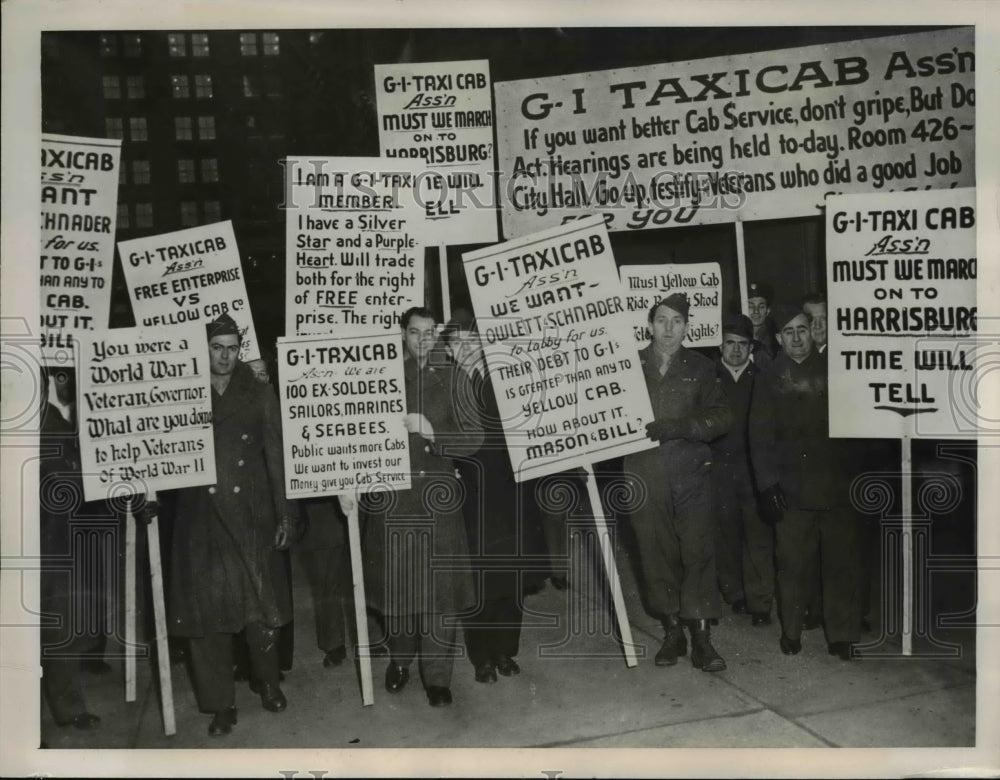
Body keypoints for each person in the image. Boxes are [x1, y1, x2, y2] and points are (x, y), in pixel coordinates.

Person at [168, 313, 299, 736]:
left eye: (231, 347)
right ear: (203, 349)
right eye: (216, 347)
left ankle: (268, 683)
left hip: (252, 515)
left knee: (259, 609)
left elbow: (277, 457)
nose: (224, 356)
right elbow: (154, 451)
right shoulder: (178, 393)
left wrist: (285, 513)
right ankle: (221, 703)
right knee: (208, 618)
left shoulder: (258, 392)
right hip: (200, 522)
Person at [357, 306, 481, 707]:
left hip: (437, 501)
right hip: (392, 500)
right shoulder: (379, 377)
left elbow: (474, 438)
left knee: (439, 596)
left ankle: (438, 678)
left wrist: (432, 431)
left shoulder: (454, 376)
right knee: (397, 594)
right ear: (402, 334)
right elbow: (351, 434)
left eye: (430, 333)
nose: (423, 340)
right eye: (414, 333)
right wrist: (348, 482)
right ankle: (400, 660)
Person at [624, 294, 731, 672]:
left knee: (698, 552)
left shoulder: (701, 367)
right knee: (655, 554)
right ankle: (673, 632)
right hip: (643, 473)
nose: (669, 329)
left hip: (691, 473)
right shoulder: (626, 364)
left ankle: (702, 638)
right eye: (662, 320)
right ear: (649, 324)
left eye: (677, 322)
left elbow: (721, 417)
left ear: (687, 327)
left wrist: (684, 427)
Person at [439, 309, 547, 684]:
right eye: (457, 343)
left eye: (472, 340)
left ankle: (505, 650)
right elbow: (439, 437)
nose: (465, 348)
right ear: (449, 350)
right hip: (472, 496)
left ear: (484, 342)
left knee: (511, 575)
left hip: (514, 491)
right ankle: (481, 656)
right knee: (480, 579)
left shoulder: (507, 379)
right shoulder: (444, 385)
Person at [749, 305, 861, 660]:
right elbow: (759, 436)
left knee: (841, 564)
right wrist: (768, 485)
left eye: (803, 329)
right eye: (789, 332)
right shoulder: (768, 377)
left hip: (836, 487)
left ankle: (841, 635)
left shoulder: (837, 370)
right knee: (793, 564)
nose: (797, 338)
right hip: (792, 491)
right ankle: (792, 631)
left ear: (813, 331)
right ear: (779, 339)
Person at [38, 368, 101, 730]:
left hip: (56, 547)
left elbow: (86, 483)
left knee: (61, 632)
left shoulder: (61, 429)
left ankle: (69, 707)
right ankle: (21, 727)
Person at [711, 314, 774, 626]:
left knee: (758, 536)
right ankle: (734, 593)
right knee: (725, 534)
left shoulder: (763, 378)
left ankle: (760, 601)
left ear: (752, 347)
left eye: (742, 345)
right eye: (730, 343)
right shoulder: (707, 378)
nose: (735, 350)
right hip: (719, 470)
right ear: (721, 345)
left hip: (753, 471)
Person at [747, 281, 779, 369]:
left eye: (761, 307)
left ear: (768, 311)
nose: (756, 311)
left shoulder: (776, 340)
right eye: (750, 306)